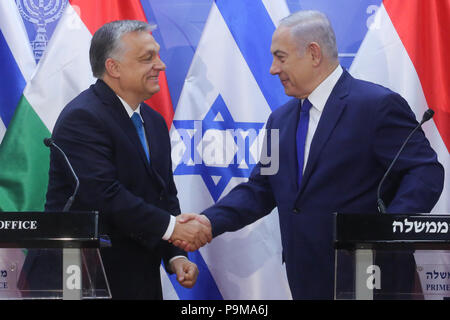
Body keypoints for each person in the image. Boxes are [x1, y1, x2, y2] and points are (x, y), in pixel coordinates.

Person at [173, 10, 445, 299]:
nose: (272, 69)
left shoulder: (377, 106)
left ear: (314, 53)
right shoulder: (280, 119)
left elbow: (425, 171)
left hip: (369, 274)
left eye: (281, 57)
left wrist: (386, 231)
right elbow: (260, 189)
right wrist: (209, 221)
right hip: (304, 277)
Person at [28, 20, 211, 299]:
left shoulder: (154, 121)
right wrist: (175, 228)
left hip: (140, 279)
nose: (160, 65)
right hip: (84, 280)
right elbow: (103, 195)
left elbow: (163, 196)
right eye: (147, 58)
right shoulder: (83, 117)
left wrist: (175, 255)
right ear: (113, 68)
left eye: (157, 55)